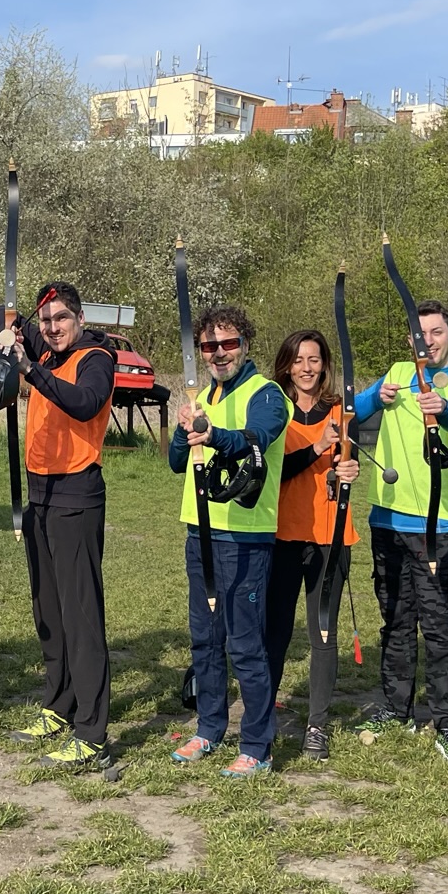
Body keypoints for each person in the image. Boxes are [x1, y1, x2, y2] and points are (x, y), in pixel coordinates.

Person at [353, 298, 448, 761]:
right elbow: (353, 408)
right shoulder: (395, 371)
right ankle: (395, 706)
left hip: (436, 525)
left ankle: (447, 719)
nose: (427, 341)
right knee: (395, 619)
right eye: (420, 334)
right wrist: (376, 398)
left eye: (436, 332)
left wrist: (441, 408)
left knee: (440, 624)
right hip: (386, 518)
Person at [0, 282, 119, 771]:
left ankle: (92, 732)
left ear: (80, 317)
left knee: (80, 615)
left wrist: (26, 365)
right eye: (44, 321)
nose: (51, 328)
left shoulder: (95, 357)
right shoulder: (46, 350)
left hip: (76, 497)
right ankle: (59, 704)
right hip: (40, 495)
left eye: (61, 319)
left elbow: (86, 403)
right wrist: (13, 327)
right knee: (48, 608)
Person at [168, 305, 288, 778]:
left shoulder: (267, 393)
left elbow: (256, 439)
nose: (219, 353)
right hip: (199, 530)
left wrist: (213, 432)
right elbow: (179, 462)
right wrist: (185, 430)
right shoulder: (203, 396)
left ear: (245, 344)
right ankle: (209, 728)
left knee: (244, 644)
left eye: (229, 343)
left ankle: (258, 745)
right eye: (209, 346)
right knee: (205, 639)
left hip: (246, 535)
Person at [263, 329, 360, 763]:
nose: (307, 367)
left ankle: (316, 726)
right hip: (281, 534)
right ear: (286, 364)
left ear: (324, 364)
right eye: (299, 359)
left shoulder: (341, 411)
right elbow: (270, 472)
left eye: (315, 359)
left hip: (328, 535)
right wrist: (317, 447)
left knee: (323, 632)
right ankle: (263, 719)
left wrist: (347, 470)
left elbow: (345, 465)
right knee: (275, 632)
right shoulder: (271, 407)